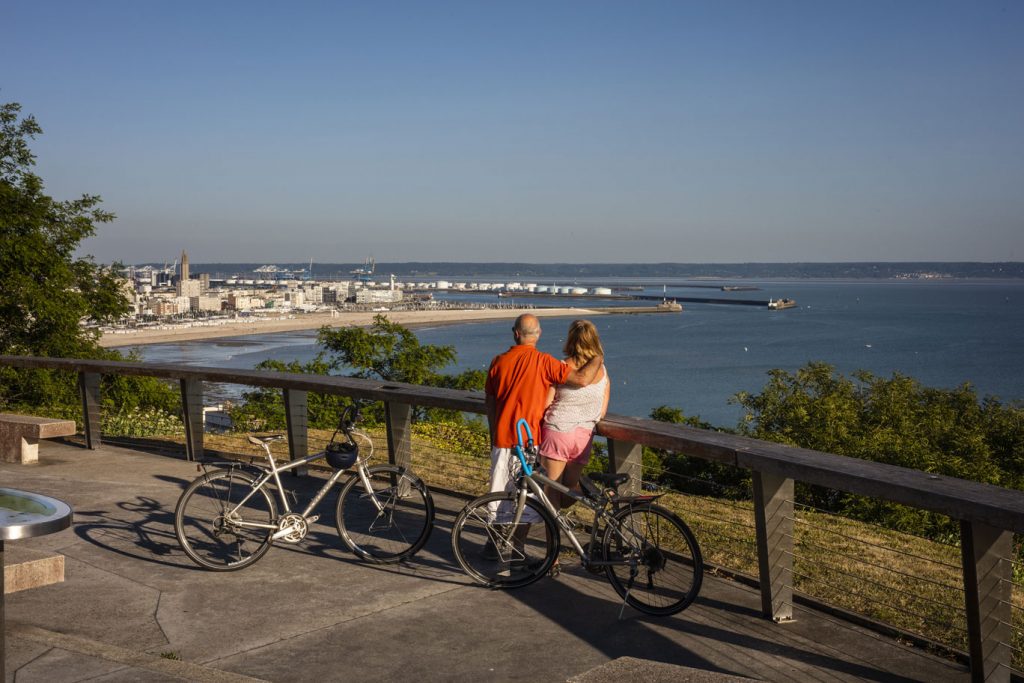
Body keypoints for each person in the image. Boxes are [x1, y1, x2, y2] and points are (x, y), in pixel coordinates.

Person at [484, 314, 604, 526]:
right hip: (531, 439)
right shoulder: (545, 363)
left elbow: (490, 402)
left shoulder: (498, 362)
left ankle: (493, 543)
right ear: (538, 334)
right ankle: (518, 549)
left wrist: (494, 432)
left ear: (515, 333)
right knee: (528, 501)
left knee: (499, 494)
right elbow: (581, 379)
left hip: (503, 438)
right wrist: (597, 358)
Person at [539, 319, 609, 512]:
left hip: (558, 432)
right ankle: (594, 494)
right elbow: (602, 411)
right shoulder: (603, 371)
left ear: (571, 339)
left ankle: (552, 539)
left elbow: (545, 404)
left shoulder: (560, 367)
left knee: (551, 490)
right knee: (570, 489)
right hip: (583, 436)